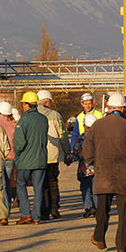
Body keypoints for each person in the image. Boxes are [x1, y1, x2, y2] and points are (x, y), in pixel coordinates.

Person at [83, 92, 126, 252]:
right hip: (124, 176)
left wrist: (94, 162)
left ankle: (99, 236)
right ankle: (122, 246)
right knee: (125, 213)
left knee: (102, 210)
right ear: (123, 108)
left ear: (108, 107)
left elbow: (87, 151)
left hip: (103, 175)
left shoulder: (97, 125)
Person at [13, 91, 48, 225]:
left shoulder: (24, 120)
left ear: (27, 105)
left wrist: (18, 154)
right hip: (40, 159)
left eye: (23, 104)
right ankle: (37, 217)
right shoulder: (43, 119)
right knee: (38, 187)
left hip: (25, 160)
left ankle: (26, 214)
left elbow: (19, 143)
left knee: (21, 185)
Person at [37, 90, 71, 220]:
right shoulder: (55, 115)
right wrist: (67, 153)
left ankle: (44, 211)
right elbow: (62, 135)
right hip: (53, 154)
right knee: (53, 182)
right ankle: (55, 209)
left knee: (41, 183)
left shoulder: (32, 115)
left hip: (38, 155)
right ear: (46, 102)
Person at [71, 113, 98, 218]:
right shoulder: (100, 137)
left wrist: (70, 159)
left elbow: (77, 153)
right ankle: (97, 207)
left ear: (85, 126)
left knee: (85, 188)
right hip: (98, 168)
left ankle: (89, 206)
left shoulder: (82, 138)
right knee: (96, 188)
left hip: (84, 169)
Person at [0, 101, 17, 213]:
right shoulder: (14, 123)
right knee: (7, 183)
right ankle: (7, 206)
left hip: (0, 156)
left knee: (1, 184)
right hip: (12, 157)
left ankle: (4, 209)